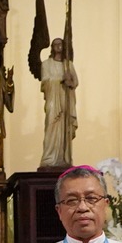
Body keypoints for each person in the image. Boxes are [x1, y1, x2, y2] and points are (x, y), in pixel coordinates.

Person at [38, 38, 77, 168]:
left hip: (65, 99)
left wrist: (69, 82)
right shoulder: (46, 64)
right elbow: (45, 82)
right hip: (53, 100)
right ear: (52, 47)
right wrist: (61, 79)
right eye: (55, 45)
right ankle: (49, 158)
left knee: (64, 127)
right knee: (51, 124)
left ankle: (63, 157)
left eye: (60, 44)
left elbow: (75, 82)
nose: (58, 47)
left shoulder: (68, 65)